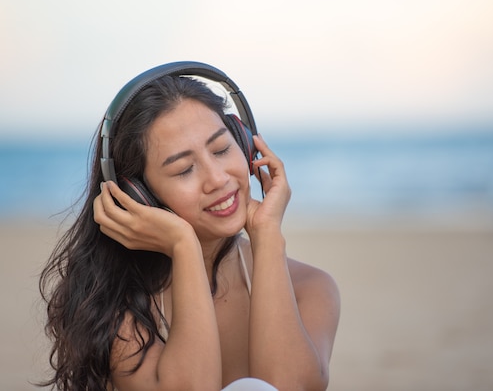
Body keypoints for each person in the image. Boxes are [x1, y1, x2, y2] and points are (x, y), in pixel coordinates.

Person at [39, 69, 340, 391]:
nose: (218, 179)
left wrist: (266, 235)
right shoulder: (116, 306)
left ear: (245, 145)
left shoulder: (309, 287)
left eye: (222, 149)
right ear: (138, 193)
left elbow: (289, 387)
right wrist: (184, 247)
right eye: (184, 169)